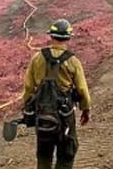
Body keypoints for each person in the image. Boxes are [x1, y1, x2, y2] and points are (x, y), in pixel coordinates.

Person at [22, 19, 92, 169]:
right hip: (65, 116)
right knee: (66, 154)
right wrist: (85, 109)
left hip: (42, 116)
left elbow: (28, 87)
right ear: (68, 38)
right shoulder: (73, 61)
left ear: (51, 36)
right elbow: (82, 90)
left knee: (44, 155)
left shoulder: (37, 58)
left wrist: (27, 109)